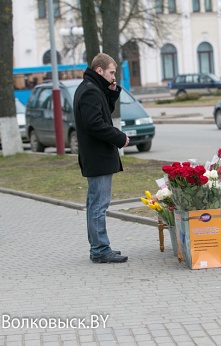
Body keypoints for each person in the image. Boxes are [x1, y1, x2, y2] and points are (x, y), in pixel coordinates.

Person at [73, 53, 130, 263]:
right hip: (98, 157)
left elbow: (102, 112)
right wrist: (119, 137)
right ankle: (100, 249)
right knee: (98, 205)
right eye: (111, 72)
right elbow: (95, 123)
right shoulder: (90, 91)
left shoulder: (92, 88)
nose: (114, 77)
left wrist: (112, 93)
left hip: (96, 156)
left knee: (95, 204)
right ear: (100, 70)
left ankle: (98, 247)